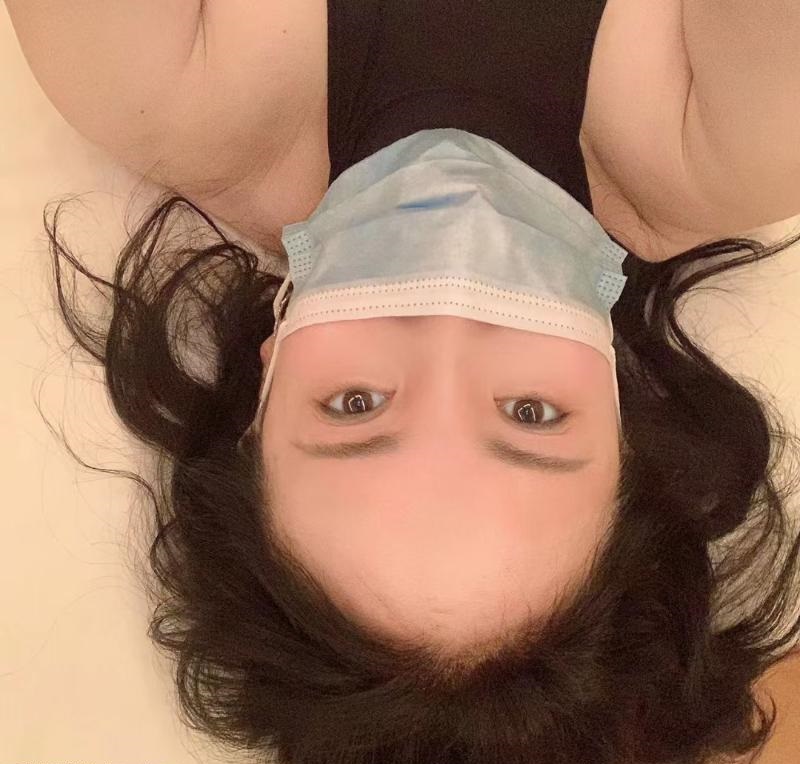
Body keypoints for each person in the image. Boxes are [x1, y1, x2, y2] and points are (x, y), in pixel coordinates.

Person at [8, 2, 800, 762]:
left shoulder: (151, 87)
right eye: (531, 412)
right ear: (623, 418)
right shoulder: (738, 140)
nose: (446, 333)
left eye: (356, 405)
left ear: (267, 381)